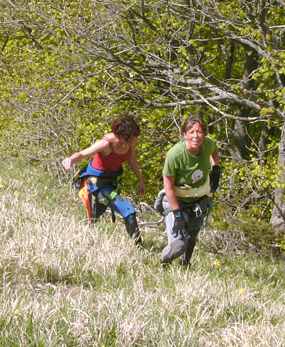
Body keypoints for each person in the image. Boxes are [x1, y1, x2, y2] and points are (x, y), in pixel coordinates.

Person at [61, 113, 147, 243]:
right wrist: (71, 159)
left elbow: (132, 160)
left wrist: (140, 180)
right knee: (128, 211)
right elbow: (83, 153)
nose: (133, 141)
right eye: (130, 138)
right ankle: (140, 248)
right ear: (120, 136)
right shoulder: (106, 143)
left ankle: (81, 238)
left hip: (112, 181)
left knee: (96, 213)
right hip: (97, 182)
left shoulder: (131, 142)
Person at [157, 116, 221, 267]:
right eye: (191, 132)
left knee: (192, 237)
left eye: (199, 132)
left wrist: (216, 167)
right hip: (176, 201)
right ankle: (163, 263)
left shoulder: (208, 144)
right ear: (184, 134)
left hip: (198, 200)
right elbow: (168, 187)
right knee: (179, 245)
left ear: (204, 134)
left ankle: (184, 266)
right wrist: (177, 214)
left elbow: (215, 148)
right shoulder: (175, 155)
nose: (195, 136)